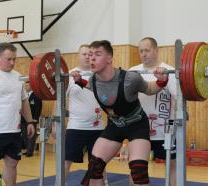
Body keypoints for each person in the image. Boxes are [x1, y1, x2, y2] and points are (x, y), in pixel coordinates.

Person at [71, 40, 169, 186]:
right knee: (94, 168)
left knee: (138, 173)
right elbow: (92, 86)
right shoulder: (93, 80)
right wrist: (79, 81)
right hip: (115, 126)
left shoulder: (130, 78)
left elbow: (149, 89)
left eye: (98, 54)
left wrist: (162, 81)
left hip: (137, 126)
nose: (91, 58)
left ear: (109, 58)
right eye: (90, 55)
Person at [52, 44, 106, 185]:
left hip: (97, 128)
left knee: (99, 162)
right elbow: (58, 101)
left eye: (90, 54)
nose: (88, 57)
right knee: (66, 160)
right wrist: (55, 124)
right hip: (76, 127)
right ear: (78, 56)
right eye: (84, 54)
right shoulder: (68, 76)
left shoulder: (99, 74)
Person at [129, 37, 176, 186]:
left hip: (165, 130)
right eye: (141, 51)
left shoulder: (170, 71)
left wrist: (172, 125)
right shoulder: (132, 72)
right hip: (139, 130)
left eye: (147, 50)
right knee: (136, 168)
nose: (143, 54)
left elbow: (176, 100)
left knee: (173, 166)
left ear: (156, 50)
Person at [0, 43, 35, 186]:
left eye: (14, 59)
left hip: (13, 130)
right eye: (9, 59)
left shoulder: (18, 77)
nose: (12, 62)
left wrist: (30, 121)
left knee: (12, 163)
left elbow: (24, 101)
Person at [21, 80, 42, 157]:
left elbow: (38, 107)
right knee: (24, 135)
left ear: (31, 86)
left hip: (32, 119)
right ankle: (27, 149)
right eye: (25, 85)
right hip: (23, 119)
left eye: (27, 85)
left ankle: (30, 151)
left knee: (31, 135)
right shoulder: (24, 96)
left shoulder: (36, 95)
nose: (25, 87)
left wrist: (36, 118)